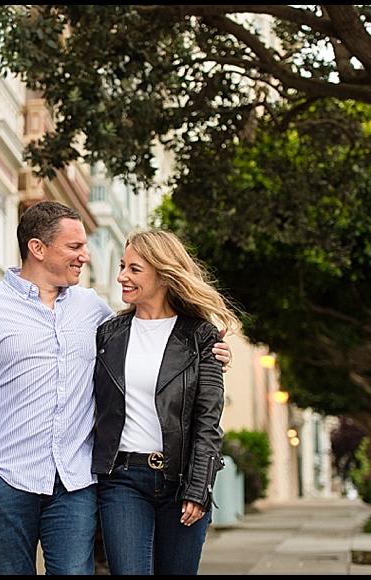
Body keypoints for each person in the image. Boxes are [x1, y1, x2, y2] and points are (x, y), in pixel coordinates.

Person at [0, 202, 230, 575]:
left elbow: (155, 347)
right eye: (74, 246)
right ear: (38, 248)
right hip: (8, 482)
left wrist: (215, 355)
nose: (85, 256)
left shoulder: (94, 311)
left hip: (75, 485)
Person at [92, 229, 241, 575]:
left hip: (181, 480)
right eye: (122, 266)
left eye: (134, 269)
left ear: (163, 274)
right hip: (122, 479)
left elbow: (208, 420)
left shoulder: (200, 336)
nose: (121, 277)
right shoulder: (107, 335)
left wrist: (199, 486)